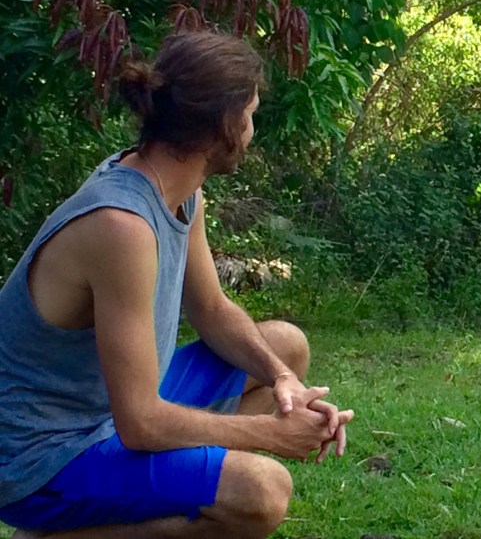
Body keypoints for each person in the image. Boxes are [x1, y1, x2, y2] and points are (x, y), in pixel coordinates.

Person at [0, 31, 353, 538]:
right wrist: (270, 434)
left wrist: (282, 380)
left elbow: (211, 309)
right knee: (262, 491)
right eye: (250, 114)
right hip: (39, 457)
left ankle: (164, 490)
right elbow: (140, 422)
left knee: (285, 347)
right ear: (224, 125)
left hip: (105, 414)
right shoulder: (122, 226)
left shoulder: (180, 192)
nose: (253, 131)